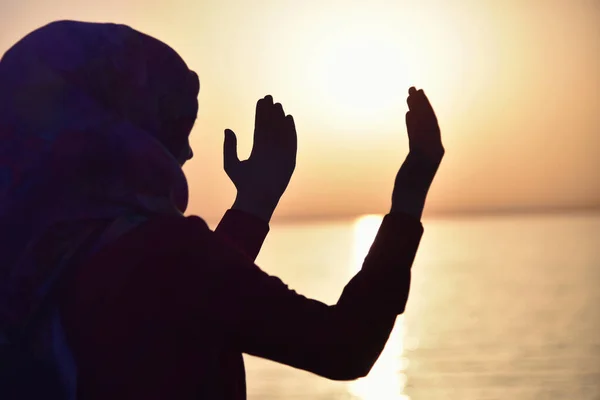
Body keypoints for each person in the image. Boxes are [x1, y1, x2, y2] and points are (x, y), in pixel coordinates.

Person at [0, 20, 444, 400]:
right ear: (125, 129)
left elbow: (176, 304)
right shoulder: (167, 255)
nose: (189, 153)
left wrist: (253, 205)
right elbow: (345, 345)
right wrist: (410, 194)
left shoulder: (30, 253)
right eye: (174, 127)